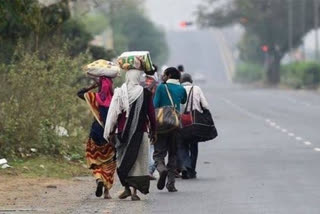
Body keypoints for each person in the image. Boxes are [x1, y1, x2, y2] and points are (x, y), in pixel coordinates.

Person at [104, 69, 156, 201]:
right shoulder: (145, 93)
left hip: (122, 133)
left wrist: (110, 131)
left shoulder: (120, 92)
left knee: (122, 161)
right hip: (141, 133)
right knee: (139, 163)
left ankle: (127, 188)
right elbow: (151, 114)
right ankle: (133, 192)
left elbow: (113, 114)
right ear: (138, 78)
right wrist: (154, 131)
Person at [77, 76, 116, 199]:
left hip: (96, 131)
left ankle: (98, 178)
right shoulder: (115, 100)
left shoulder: (94, 98)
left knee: (96, 159)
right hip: (109, 134)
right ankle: (106, 191)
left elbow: (80, 93)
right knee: (109, 162)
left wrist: (92, 86)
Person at [153, 67, 187, 192]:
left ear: (168, 75)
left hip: (162, 124)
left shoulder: (162, 87)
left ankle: (162, 169)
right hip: (176, 124)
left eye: (164, 75)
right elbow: (184, 100)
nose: (162, 76)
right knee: (173, 153)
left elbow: (155, 105)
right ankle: (171, 184)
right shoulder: (181, 88)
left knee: (158, 153)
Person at [179, 73, 209, 179]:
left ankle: (185, 166)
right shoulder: (197, 89)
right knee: (194, 146)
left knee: (182, 145)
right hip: (195, 121)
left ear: (181, 81)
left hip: (181, 121)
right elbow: (205, 105)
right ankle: (192, 170)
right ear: (191, 81)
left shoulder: (179, 88)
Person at [140, 65, 159, 180]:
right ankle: (150, 169)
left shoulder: (140, 83)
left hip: (140, 117)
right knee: (153, 145)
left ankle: (142, 170)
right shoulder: (157, 84)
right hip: (154, 115)